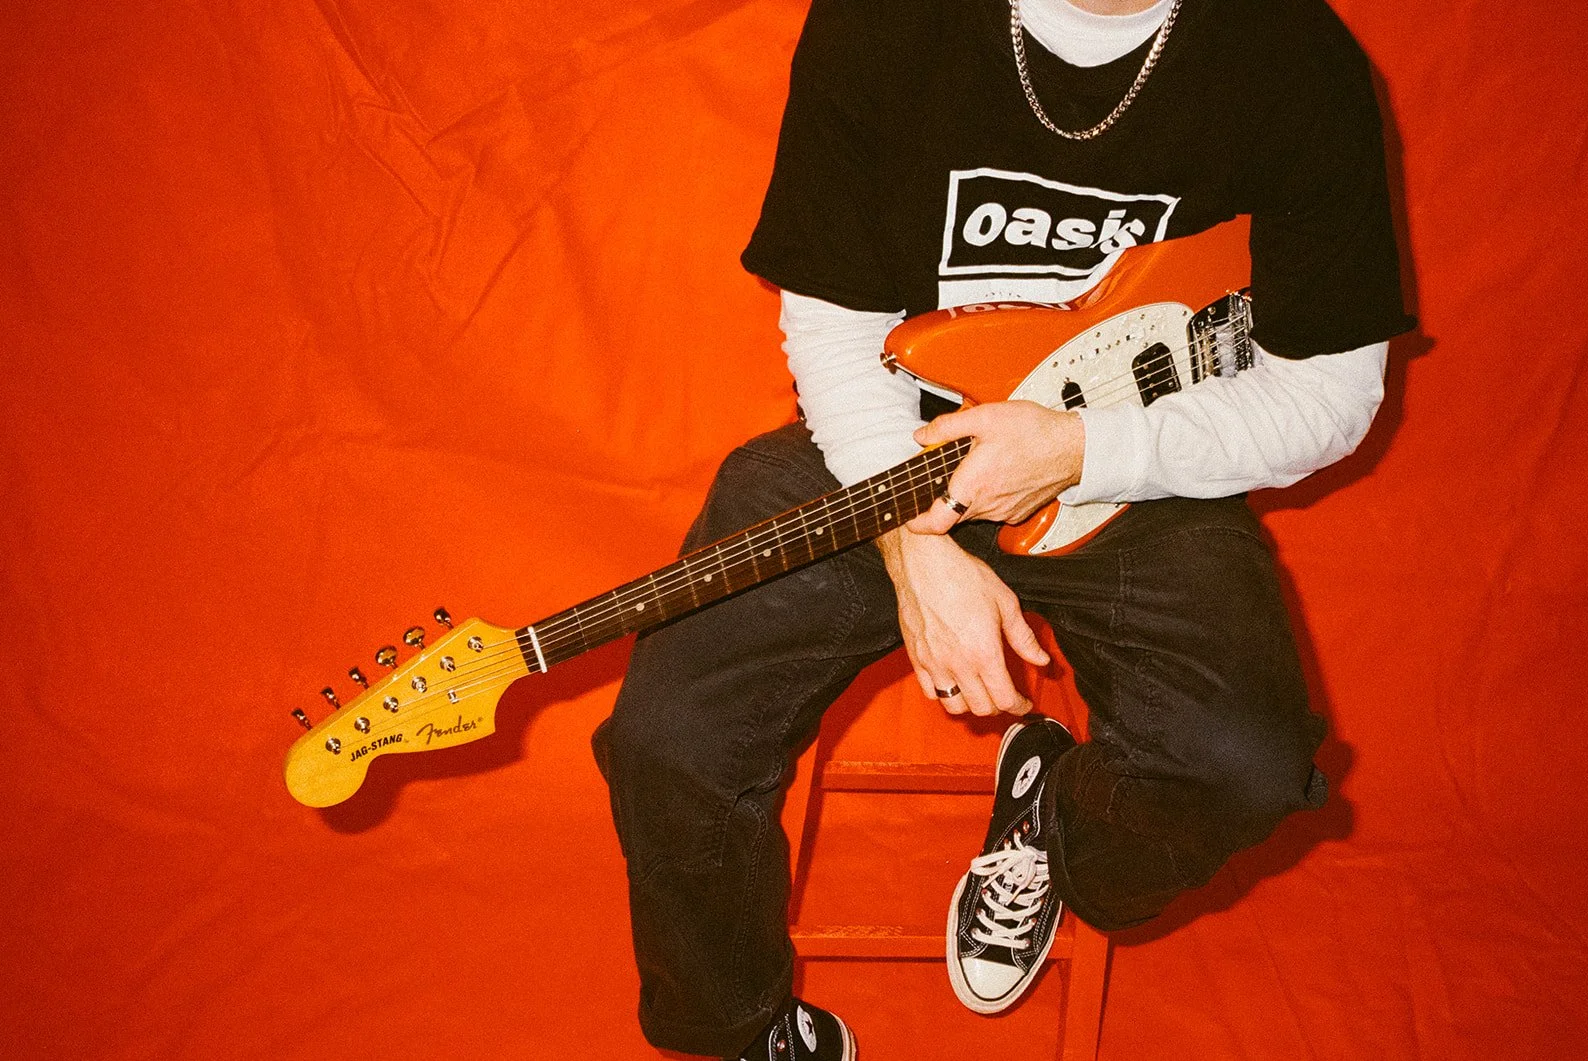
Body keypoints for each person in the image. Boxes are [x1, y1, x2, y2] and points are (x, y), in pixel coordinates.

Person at [592, 0, 1414, 1056]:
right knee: (672, 737)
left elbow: (1330, 392)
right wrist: (910, 539)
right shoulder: (881, 23)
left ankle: (1054, 821)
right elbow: (834, 324)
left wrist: (1078, 451)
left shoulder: (1295, 58)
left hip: (1138, 462)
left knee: (1241, 764)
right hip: (891, 441)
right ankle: (739, 1031)